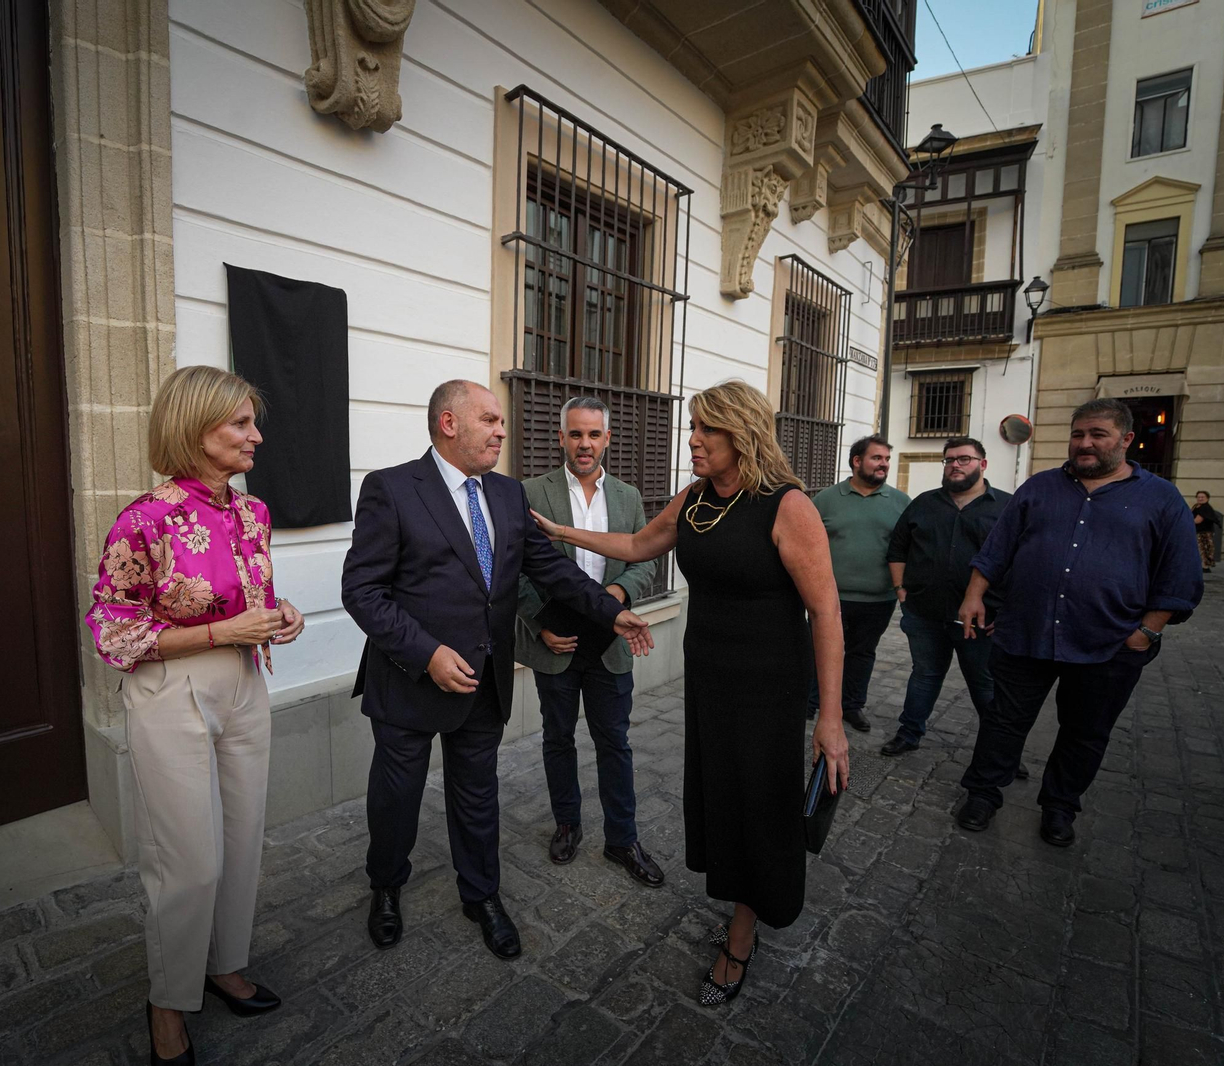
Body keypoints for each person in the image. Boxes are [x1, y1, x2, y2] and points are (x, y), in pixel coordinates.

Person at [531, 379, 847, 1007]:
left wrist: (830, 717)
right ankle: (735, 896)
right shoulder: (698, 499)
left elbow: (828, 612)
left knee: (759, 806)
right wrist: (563, 535)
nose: (694, 440)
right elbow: (637, 545)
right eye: (694, 427)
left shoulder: (788, 507)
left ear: (743, 433)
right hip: (709, 683)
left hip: (766, 689)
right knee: (721, 798)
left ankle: (742, 935)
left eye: (707, 430)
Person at [341, 380, 654, 962]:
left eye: (501, 420)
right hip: (409, 681)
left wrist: (612, 614)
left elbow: (552, 573)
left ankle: (481, 895)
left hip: (483, 681)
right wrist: (427, 653)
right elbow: (362, 590)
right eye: (489, 419)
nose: (502, 430)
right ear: (449, 424)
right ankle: (386, 887)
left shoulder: (508, 495)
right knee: (396, 797)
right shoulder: (391, 488)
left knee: (477, 796)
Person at [85, 366, 305, 1066]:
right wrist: (224, 633)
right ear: (194, 428)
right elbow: (111, 631)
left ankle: (223, 966)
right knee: (188, 861)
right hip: (170, 689)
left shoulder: (252, 513)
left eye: (251, 422)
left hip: (245, 682)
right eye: (240, 423)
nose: (255, 435)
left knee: (242, 841)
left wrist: (281, 614)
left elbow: (246, 596)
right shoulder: (143, 519)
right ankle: (168, 1001)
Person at [953, 398, 1204, 846]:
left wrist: (1146, 632)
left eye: (1097, 435)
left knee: (1085, 732)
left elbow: (1180, 574)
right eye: (1078, 434)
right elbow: (997, 548)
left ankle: (1059, 807)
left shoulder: (1161, 498)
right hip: (1025, 632)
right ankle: (983, 794)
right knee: (1003, 720)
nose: (1084, 443)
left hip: (1108, 643)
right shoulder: (1039, 487)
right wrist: (974, 595)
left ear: (1126, 440)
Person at [515, 397, 663, 885]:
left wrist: (618, 595)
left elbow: (646, 559)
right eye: (576, 434)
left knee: (613, 742)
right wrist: (538, 625)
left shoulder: (628, 497)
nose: (585, 444)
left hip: (610, 644)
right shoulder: (530, 492)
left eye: (593, 435)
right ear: (561, 437)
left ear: (607, 439)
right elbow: (510, 568)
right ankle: (567, 824)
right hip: (555, 642)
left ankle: (622, 838)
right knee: (557, 738)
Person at [880, 436, 1022, 780]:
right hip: (925, 613)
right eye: (949, 460)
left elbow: (1022, 563)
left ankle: (1000, 753)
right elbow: (897, 548)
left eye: (964, 459)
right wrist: (901, 591)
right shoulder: (924, 504)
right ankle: (909, 734)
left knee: (985, 687)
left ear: (982, 464)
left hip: (981, 619)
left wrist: (1006, 612)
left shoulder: (1006, 508)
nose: (955, 465)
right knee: (924, 675)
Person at [808, 434, 910, 732]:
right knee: (819, 649)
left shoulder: (901, 503)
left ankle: (852, 706)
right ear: (856, 461)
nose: (884, 465)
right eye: (877, 458)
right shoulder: (826, 500)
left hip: (878, 599)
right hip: (830, 597)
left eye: (887, 459)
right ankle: (810, 702)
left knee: (862, 653)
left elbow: (907, 549)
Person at [1192, 490, 1223, 572]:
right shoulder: (1197, 506)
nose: (1200, 499)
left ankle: (1205, 567)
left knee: (1204, 549)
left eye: (1202, 497)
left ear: (1207, 498)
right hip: (1198, 531)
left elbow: (1198, 520)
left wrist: (1187, 521)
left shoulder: (1205, 508)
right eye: (1198, 497)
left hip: (1204, 532)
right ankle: (1202, 566)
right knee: (1201, 549)